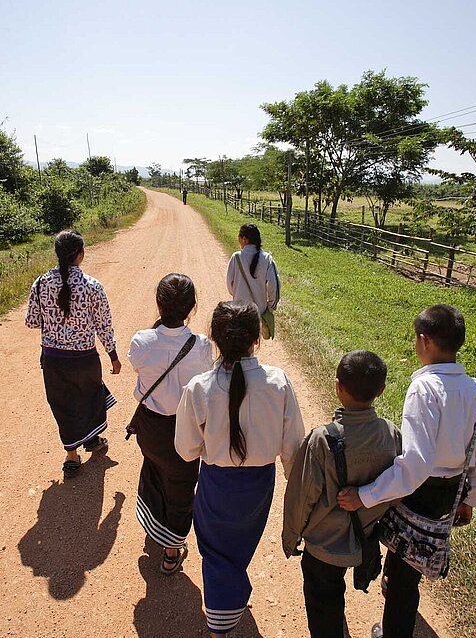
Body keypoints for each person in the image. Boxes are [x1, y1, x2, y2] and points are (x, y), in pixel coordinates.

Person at [337, 305, 476, 638]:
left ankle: (395, 631)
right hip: (452, 492)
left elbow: (415, 464)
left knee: (403, 572)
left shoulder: (424, 389)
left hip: (419, 492)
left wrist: (364, 496)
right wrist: (471, 498)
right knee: (419, 554)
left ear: (424, 341)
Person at [175, 301, 305, 637]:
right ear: (257, 339)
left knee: (215, 550)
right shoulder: (278, 382)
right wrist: (297, 486)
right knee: (240, 545)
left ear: (214, 339)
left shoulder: (199, 388)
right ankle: (229, 603)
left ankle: (220, 621)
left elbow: (186, 449)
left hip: (217, 483)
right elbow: (293, 447)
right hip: (259, 485)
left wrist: (210, 443)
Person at [282, 351, 402, 638]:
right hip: (367, 539)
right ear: (382, 390)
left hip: (324, 546)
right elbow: (398, 488)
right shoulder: (391, 434)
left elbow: (302, 497)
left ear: (338, 386)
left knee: (323, 603)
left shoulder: (322, 439)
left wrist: (291, 536)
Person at [128, 273, 213, 575]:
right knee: (180, 486)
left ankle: (154, 527)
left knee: (153, 470)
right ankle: (171, 550)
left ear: (158, 303)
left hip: (150, 428)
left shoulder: (141, 341)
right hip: (185, 430)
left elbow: (139, 368)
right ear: (192, 307)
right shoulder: (202, 347)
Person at [25, 229, 121, 478]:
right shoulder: (92, 286)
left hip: (53, 359)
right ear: (80, 255)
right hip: (84, 358)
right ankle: (92, 439)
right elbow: (104, 325)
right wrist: (112, 354)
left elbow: (32, 321)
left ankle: (72, 456)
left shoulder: (40, 283)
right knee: (90, 398)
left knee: (63, 405)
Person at [226, 223, 280, 316]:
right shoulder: (267, 259)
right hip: (259, 313)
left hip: (239, 311)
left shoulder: (236, 257)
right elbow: (274, 284)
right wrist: (271, 306)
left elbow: (230, 285)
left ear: (244, 239)